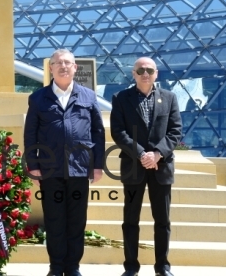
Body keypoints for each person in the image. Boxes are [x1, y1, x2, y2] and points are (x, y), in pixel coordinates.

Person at [23, 49, 105, 276]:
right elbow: (30, 135)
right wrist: (34, 166)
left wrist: (97, 165)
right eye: (58, 63)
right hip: (50, 171)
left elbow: (98, 132)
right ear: (50, 68)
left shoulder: (88, 96)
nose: (63, 66)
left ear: (75, 67)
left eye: (68, 63)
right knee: (54, 220)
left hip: (80, 169)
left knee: (77, 221)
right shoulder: (38, 98)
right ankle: (56, 267)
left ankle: (73, 267)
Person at [110, 57, 182, 276]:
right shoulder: (121, 98)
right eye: (140, 70)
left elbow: (175, 131)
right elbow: (118, 132)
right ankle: (131, 267)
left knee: (163, 221)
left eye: (149, 70)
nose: (145, 74)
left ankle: (163, 267)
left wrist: (158, 154)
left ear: (156, 73)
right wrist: (141, 154)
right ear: (133, 73)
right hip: (134, 167)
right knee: (130, 220)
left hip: (161, 169)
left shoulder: (169, 98)